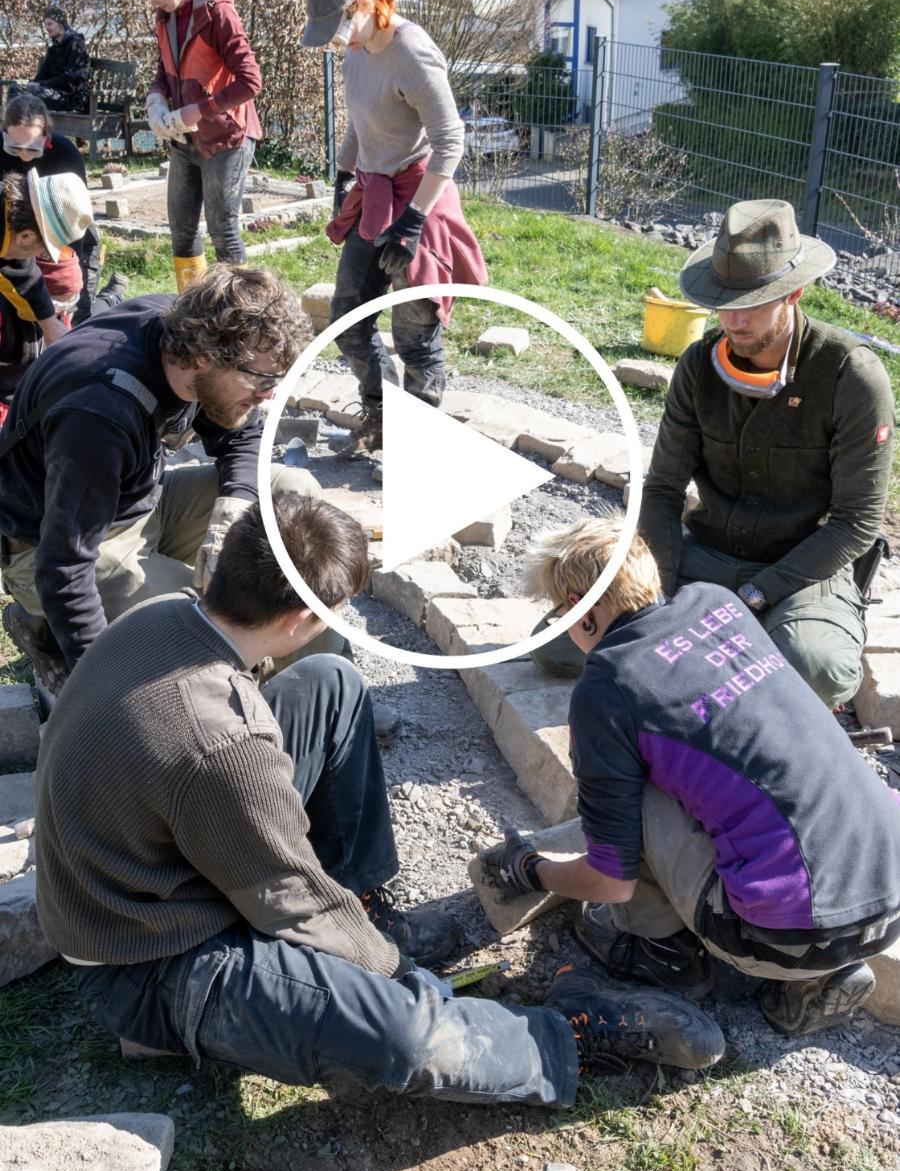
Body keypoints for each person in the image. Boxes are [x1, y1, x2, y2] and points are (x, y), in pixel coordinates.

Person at [35, 492, 725, 1099]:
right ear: (299, 619)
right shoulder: (222, 745)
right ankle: (559, 1038)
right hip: (147, 960)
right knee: (398, 1034)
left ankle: (365, 907)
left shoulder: (162, 617)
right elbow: (288, 896)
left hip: (143, 872)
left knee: (329, 685)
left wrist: (355, 930)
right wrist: (391, 972)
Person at [483, 517, 900, 1038]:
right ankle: (823, 975)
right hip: (890, 892)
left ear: (578, 610)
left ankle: (665, 953)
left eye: (560, 613)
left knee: (631, 795)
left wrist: (533, 870)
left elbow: (612, 880)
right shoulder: (716, 602)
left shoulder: (608, 684)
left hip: (783, 935)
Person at [532, 200, 894, 709]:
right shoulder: (698, 364)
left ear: (794, 293)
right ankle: (731, 655)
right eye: (724, 302)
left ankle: (750, 648)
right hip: (707, 553)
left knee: (817, 669)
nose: (734, 320)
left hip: (801, 568)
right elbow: (661, 489)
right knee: (562, 645)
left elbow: (856, 523)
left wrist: (758, 594)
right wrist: (659, 592)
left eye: (753, 302)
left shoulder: (851, 376)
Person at [0, 265, 333, 697]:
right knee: (206, 622)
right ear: (203, 356)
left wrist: (232, 510)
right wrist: (95, 695)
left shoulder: (181, 335)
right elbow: (63, 569)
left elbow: (245, 433)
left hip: (136, 501)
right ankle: (45, 628)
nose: (269, 393)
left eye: (277, 380)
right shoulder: (99, 414)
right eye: (261, 379)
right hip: (53, 547)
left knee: (294, 495)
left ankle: (312, 691)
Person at [302, 0, 486, 457]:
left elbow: (451, 140)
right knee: (348, 319)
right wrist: (343, 174)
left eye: (337, 27)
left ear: (363, 3)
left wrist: (413, 223)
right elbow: (358, 122)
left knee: (415, 334)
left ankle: (418, 446)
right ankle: (382, 416)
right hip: (374, 192)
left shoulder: (412, 51)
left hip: (418, 195)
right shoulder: (355, 49)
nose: (337, 42)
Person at [130, 0, 262, 292]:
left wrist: (198, 110)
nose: (154, 1)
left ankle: (236, 318)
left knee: (223, 230)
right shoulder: (165, 13)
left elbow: (251, 81)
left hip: (226, 137)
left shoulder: (217, 12)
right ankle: (193, 313)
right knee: (182, 232)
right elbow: (164, 69)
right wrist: (155, 97)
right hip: (184, 140)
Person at [1, 92, 128, 325]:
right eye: (14, 148)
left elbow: (73, 217)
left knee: (76, 317)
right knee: (21, 318)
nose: (24, 156)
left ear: (47, 136)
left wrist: (66, 283)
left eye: (32, 149)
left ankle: (111, 297)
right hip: (17, 239)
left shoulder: (65, 154)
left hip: (66, 236)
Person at [0, 168, 93, 426]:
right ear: (27, 236)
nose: (38, 257)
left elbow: (23, 273)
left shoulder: (8, 216)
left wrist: (50, 324)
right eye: (42, 249)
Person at [9, 7, 90, 113]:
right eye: (45, 25)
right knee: (15, 89)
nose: (47, 28)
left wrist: (41, 85)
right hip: (51, 92)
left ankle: (20, 126)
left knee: (32, 93)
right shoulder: (53, 50)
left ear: (60, 23)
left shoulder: (76, 44)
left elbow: (71, 76)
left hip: (69, 98)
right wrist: (32, 85)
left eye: (50, 24)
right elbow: (41, 76)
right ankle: (12, 127)